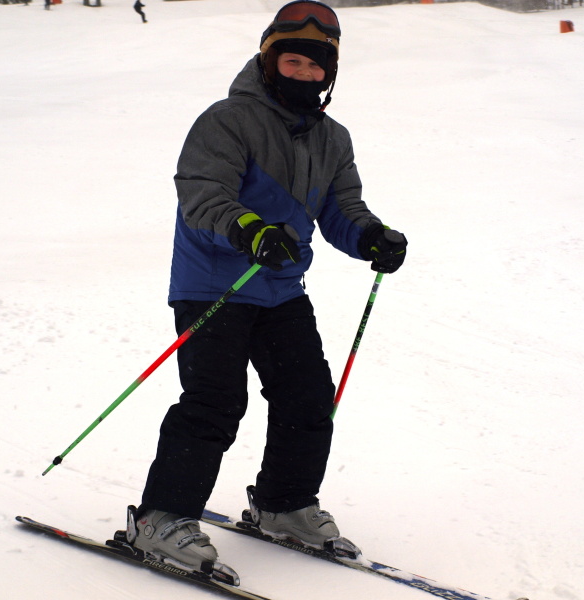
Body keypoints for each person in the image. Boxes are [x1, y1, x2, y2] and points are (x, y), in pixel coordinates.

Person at [125, 0, 407, 574]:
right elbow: (202, 192)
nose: (304, 72)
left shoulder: (333, 137)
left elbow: (341, 208)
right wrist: (248, 229)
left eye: (315, 64)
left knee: (309, 397)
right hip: (214, 285)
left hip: (280, 287)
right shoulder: (227, 120)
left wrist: (370, 236)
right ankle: (161, 518)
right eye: (292, 61)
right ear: (269, 60)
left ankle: (284, 503)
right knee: (216, 401)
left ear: (329, 72)